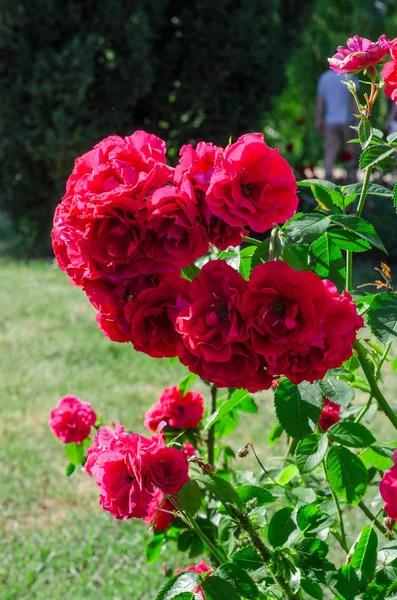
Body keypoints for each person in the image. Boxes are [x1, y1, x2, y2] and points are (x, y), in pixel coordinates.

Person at [316, 70, 359, 182]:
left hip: (331, 121)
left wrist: (319, 121)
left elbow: (320, 103)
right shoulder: (350, 77)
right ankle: (352, 181)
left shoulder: (324, 78)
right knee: (351, 152)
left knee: (330, 153)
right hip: (347, 121)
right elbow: (354, 101)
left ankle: (328, 181)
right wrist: (359, 121)